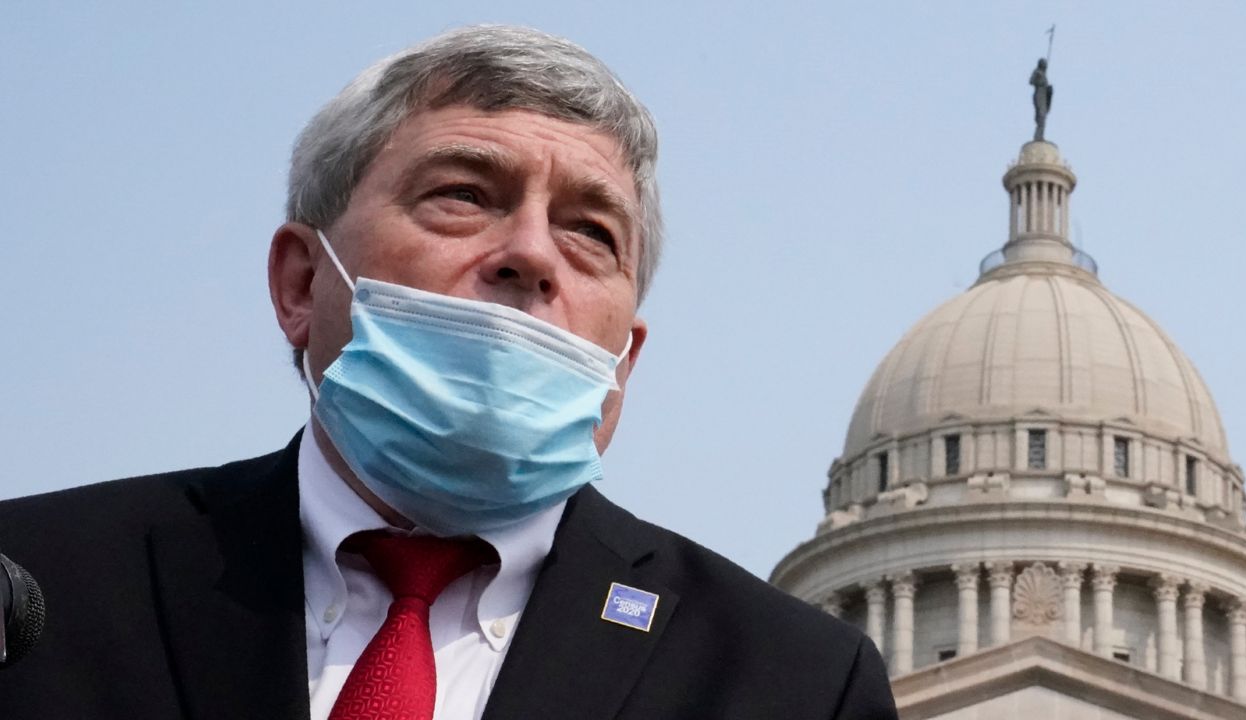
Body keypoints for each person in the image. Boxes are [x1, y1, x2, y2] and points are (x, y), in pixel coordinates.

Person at [0, 25, 896, 719]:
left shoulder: (794, 684)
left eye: (591, 230)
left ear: (623, 365)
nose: (532, 254)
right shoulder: (38, 594)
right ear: (302, 283)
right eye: (464, 194)